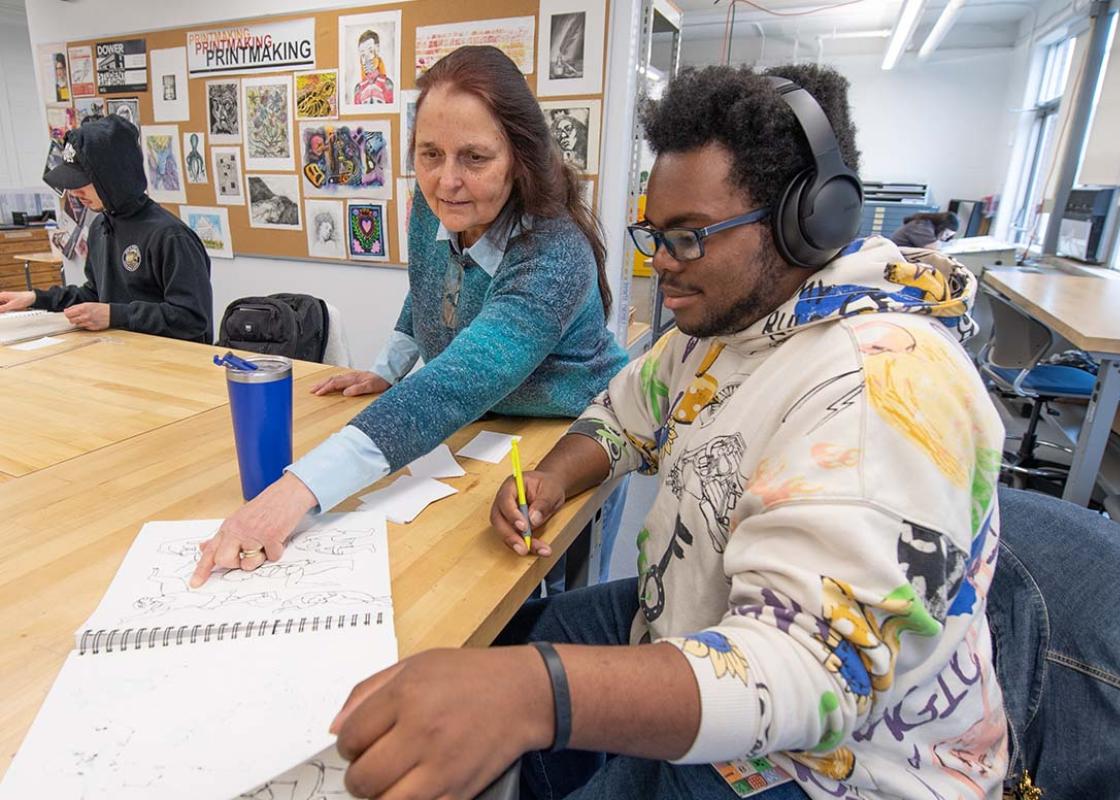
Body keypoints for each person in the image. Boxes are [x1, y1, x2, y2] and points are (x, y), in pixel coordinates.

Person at [326, 64, 1009, 800]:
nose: (659, 265)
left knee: (518, 682)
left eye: (688, 238)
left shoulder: (887, 389)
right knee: (497, 643)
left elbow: (808, 676)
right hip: (689, 623)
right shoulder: (722, 324)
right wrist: (555, 478)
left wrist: (535, 695)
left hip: (822, 765)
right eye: (654, 233)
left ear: (805, 221)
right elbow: (622, 415)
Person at [189, 46, 628, 587]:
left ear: (520, 156)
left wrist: (293, 492)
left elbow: (458, 380)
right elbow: (427, 282)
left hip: (563, 440)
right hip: (483, 427)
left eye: (475, 157)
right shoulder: (434, 205)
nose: (446, 181)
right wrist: (389, 366)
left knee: (537, 598)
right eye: (430, 154)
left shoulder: (554, 252)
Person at [0, 115, 213, 343]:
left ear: (113, 177)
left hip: (170, 363)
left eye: (81, 182)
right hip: (120, 355)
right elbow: (95, 294)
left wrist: (114, 315)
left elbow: (191, 318)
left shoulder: (170, 236)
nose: (74, 193)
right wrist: (35, 298)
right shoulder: (100, 226)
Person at [353, 29, 394, 106]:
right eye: (363, 55)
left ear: (377, 50)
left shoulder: (387, 84)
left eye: (371, 51)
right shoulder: (358, 88)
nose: (367, 58)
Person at [889, 210, 960, 249]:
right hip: (896, 258)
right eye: (946, 234)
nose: (944, 238)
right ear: (941, 226)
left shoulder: (926, 224)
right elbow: (934, 249)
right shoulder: (922, 226)